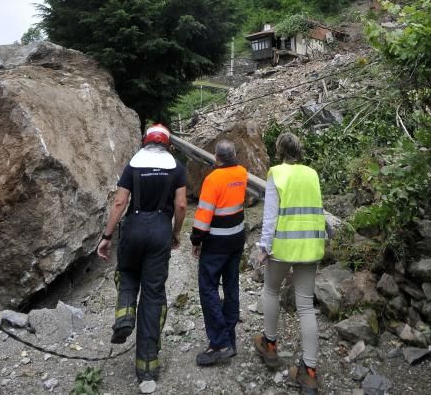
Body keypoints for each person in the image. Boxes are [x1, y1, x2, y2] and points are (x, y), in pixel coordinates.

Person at [97, 123, 187, 390]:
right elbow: (181, 205)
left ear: (144, 141)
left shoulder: (133, 164)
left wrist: (107, 235)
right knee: (153, 296)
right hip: (160, 232)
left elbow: (119, 202)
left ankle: (124, 317)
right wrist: (175, 233)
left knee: (127, 274)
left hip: (133, 230)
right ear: (168, 144)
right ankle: (147, 368)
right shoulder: (176, 167)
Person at [253, 132, 325, 394]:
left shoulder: (277, 173)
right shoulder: (312, 174)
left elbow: (270, 215)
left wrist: (264, 247)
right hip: (311, 246)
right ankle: (309, 371)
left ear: (279, 150)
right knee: (305, 305)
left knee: (271, 290)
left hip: (284, 246)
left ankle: (269, 345)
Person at [190, 139, 248, 366]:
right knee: (231, 286)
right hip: (237, 239)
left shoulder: (213, 179)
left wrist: (196, 239)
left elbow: (204, 215)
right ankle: (230, 340)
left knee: (208, 288)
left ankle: (219, 343)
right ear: (234, 154)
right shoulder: (242, 173)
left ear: (216, 157)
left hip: (217, 243)